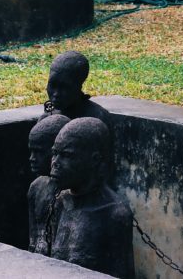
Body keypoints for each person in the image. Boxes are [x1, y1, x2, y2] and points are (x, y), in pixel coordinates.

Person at [48, 117, 135, 278]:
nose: (55, 163)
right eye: (54, 153)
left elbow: (122, 274)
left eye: (66, 155)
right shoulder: (61, 202)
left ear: (94, 160)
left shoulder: (114, 215)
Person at [27, 113, 69, 254]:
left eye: (38, 152)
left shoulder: (74, 194)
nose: (32, 158)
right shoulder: (36, 188)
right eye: (31, 151)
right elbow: (33, 237)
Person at [44, 50, 112, 131]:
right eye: (52, 85)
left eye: (64, 87)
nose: (56, 94)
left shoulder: (98, 118)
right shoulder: (49, 113)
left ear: (78, 87)